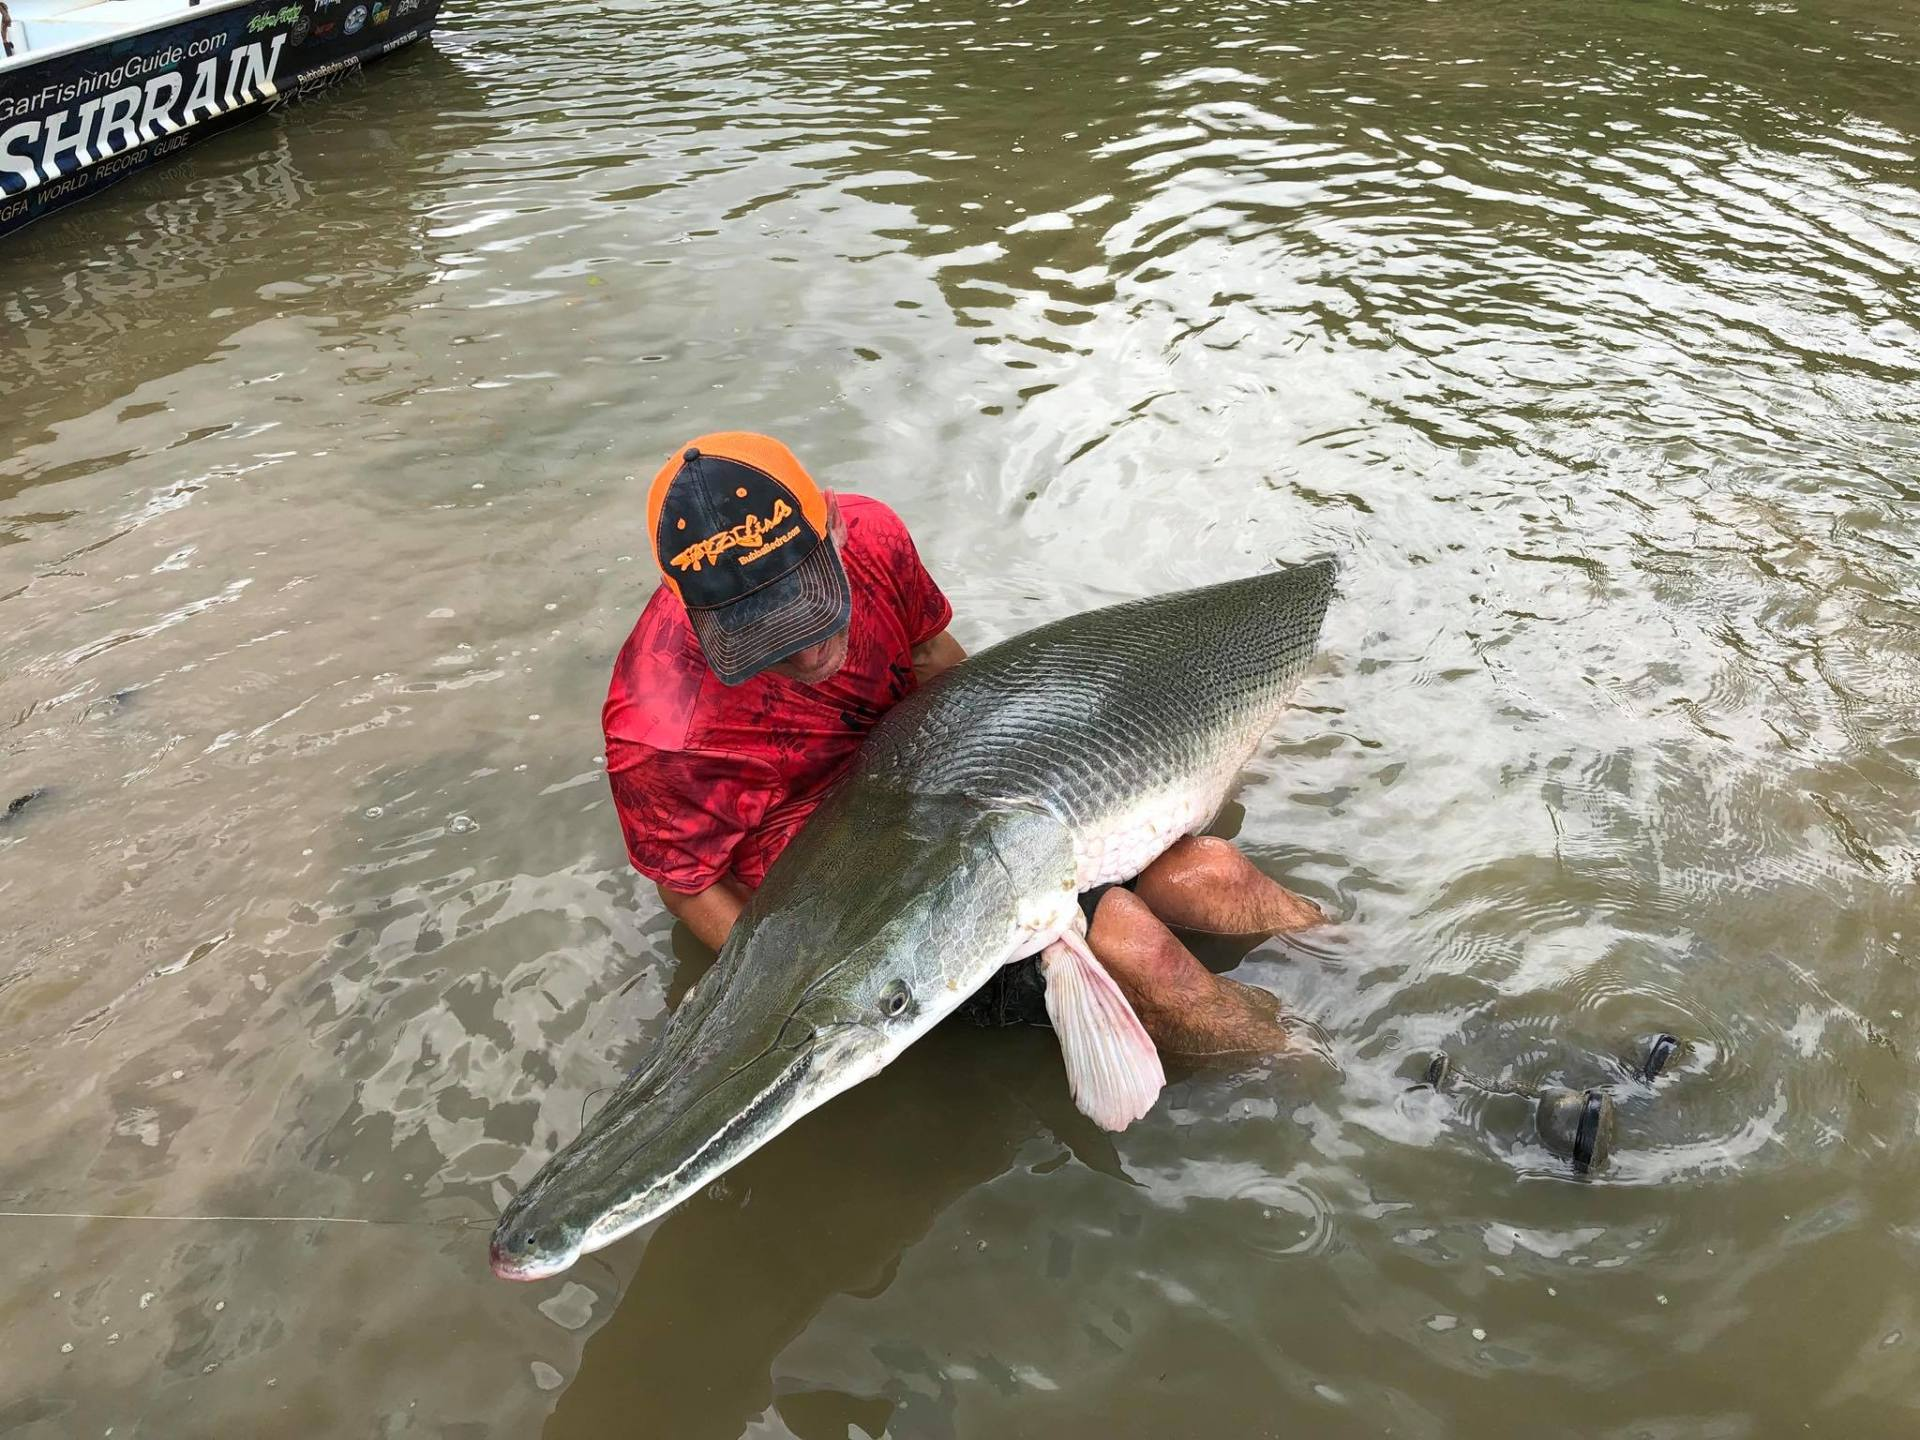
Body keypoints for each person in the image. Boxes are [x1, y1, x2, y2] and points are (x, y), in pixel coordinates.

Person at [602, 432, 1326, 1063]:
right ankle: (1312, 1080)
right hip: (851, 895)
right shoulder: (657, 727)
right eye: (763, 636)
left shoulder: (876, 535)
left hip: (941, 791)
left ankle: (1350, 965)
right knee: (1140, 950)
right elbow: (686, 882)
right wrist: (788, 1000)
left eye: (811, 606)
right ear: (696, 611)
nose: (807, 650)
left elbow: (940, 664)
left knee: (1214, 871)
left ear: (834, 530)